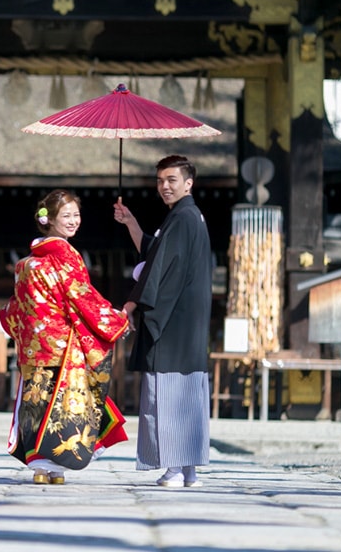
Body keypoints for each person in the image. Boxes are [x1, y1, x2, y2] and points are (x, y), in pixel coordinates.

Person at [0, 189, 131, 485]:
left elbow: (17, 307)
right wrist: (115, 318)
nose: (74, 221)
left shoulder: (26, 264)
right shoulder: (67, 255)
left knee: (38, 402)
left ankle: (42, 468)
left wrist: (10, 319)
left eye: (76, 215)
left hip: (34, 348)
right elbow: (81, 297)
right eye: (67, 216)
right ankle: (57, 467)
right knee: (64, 405)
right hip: (62, 346)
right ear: (50, 220)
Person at [113, 155, 213, 488]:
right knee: (189, 396)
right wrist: (132, 224)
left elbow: (161, 272)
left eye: (172, 180)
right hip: (188, 324)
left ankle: (172, 468)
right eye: (160, 181)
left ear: (189, 182)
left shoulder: (183, 218)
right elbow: (157, 254)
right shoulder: (187, 216)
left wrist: (133, 302)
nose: (164, 186)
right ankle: (189, 470)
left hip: (172, 323)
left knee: (166, 394)